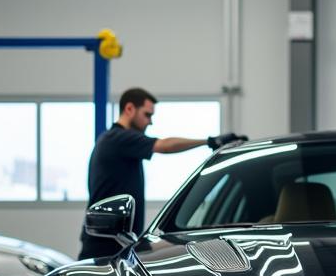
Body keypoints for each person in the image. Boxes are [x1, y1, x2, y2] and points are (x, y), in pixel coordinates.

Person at [78, 87, 243, 260]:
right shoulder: (117, 139)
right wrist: (209, 141)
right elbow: (164, 145)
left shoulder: (120, 144)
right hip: (104, 245)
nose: (150, 122)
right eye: (147, 115)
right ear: (129, 109)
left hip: (115, 241)